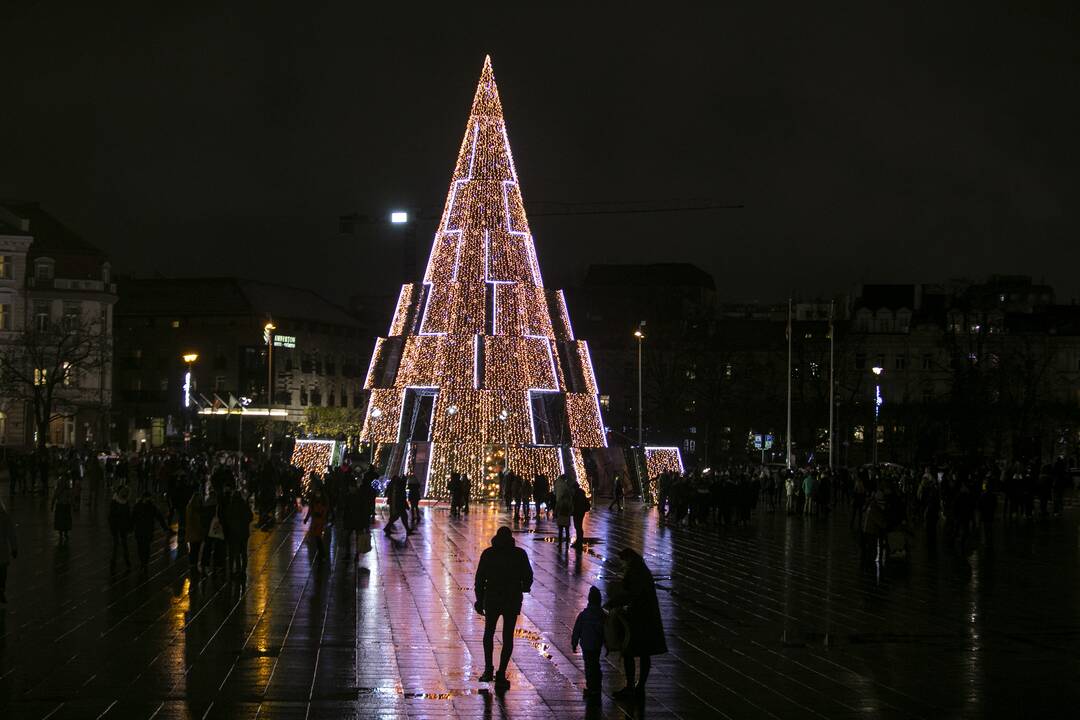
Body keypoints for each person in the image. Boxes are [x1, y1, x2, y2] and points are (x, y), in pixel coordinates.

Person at [474, 526, 534, 692]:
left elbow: (479, 579)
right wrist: (524, 587)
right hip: (512, 599)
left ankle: (488, 669)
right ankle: (501, 672)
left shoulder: (489, 554)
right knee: (508, 636)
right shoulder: (519, 554)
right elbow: (528, 576)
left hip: (492, 598)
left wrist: (479, 600)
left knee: (489, 633)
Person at [607, 548, 667, 700]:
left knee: (629, 652)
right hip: (648, 619)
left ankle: (630, 687)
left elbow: (630, 594)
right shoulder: (642, 570)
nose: (623, 566)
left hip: (638, 619)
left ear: (628, 559)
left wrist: (612, 603)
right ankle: (640, 686)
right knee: (645, 653)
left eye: (623, 562)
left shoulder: (634, 573)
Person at [571, 586, 607, 700]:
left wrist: (574, 642)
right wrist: (608, 645)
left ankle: (591, 687)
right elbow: (606, 631)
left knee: (589, 666)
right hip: (596, 645)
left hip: (586, 645)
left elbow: (577, 629)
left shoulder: (584, 615)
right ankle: (596, 686)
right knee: (595, 664)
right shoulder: (602, 615)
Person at [131, 492, 171, 569]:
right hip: (143, 530)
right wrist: (165, 528)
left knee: (145, 547)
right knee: (142, 547)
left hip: (144, 530)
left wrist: (165, 528)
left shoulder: (147, 506)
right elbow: (160, 517)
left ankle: (144, 562)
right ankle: (144, 561)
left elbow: (159, 517)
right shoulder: (146, 506)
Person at [224, 490, 253, 579]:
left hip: (234, 533)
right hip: (243, 533)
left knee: (235, 552)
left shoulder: (231, 506)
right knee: (243, 552)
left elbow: (227, 519)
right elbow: (250, 517)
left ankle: (236, 570)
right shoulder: (244, 506)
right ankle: (243, 570)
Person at [108, 486, 133, 570]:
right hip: (118, 526)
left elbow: (128, 515)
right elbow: (111, 516)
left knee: (121, 544)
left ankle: (120, 561)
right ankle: (119, 561)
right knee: (119, 544)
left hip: (121, 526)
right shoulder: (117, 502)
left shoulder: (121, 502)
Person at [185, 492, 206, 574]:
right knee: (195, 550)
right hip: (196, 533)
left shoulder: (190, 507)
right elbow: (197, 522)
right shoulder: (195, 509)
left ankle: (193, 565)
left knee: (194, 550)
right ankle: (193, 565)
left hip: (193, 533)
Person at [304, 489, 329, 558]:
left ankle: (321, 553)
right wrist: (306, 518)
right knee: (316, 537)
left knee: (318, 537)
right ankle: (321, 552)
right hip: (315, 521)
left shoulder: (323, 500)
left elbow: (325, 510)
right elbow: (310, 510)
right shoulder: (313, 501)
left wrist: (322, 515)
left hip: (320, 521)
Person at [0, 500, 17, 603]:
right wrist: (14, 547)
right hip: (2, 548)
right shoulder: (5, 516)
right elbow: (11, 533)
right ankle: (1, 588)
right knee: (3, 570)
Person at [554, 474, 573, 544]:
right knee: (567, 529)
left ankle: (560, 542)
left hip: (561, 515)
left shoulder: (557, 483)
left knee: (560, 530)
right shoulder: (565, 485)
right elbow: (571, 507)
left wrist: (555, 512)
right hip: (566, 515)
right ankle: (567, 541)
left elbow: (554, 491)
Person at [571, 482, 590, 549]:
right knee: (579, 526)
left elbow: (575, 503)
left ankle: (579, 541)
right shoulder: (581, 492)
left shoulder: (576, 494)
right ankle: (579, 540)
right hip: (581, 511)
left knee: (577, 526)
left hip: (577, 512)